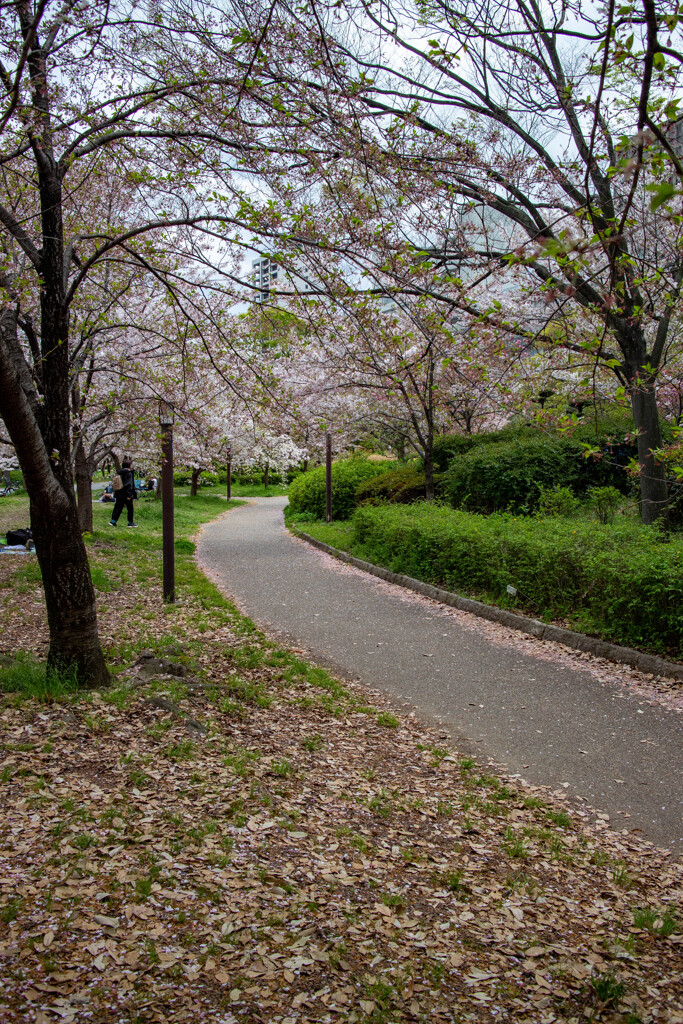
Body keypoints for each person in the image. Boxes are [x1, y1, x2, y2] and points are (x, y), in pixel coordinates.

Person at [109, 458, 138, 527]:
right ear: (130, 465)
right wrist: (129, 494)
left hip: (119, 492)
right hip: (126, 494)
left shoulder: (119, 472)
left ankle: (113, 521)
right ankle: (130, 522)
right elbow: (128, 484)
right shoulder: (128, 474)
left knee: (118, 507)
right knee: (130, 508)